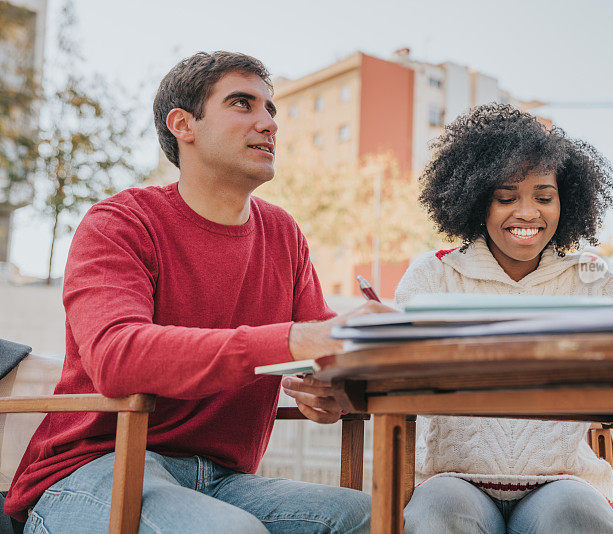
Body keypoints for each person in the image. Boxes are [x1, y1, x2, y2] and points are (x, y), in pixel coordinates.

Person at [5, 51, 392, 533]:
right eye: (242, 104)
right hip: (94, 470)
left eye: (270, 109)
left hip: (223, 480)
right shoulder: (119, 223)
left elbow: (320, 354)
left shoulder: (283, 234)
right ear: (183, 125)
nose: (269, 123)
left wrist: (331, 391)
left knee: (374, 519)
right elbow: (116, 356)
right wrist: (299, 339)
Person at [396, 103, 613, 533]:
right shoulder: (433, 273)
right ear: (475, 201)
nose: (527, 213)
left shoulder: (590, 277)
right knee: (436, 520)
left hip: (564, 480)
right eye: (506, 197)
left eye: (544, 197)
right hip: (450, 480)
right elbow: (392, 364)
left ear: (567, 202)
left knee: (579, 520)